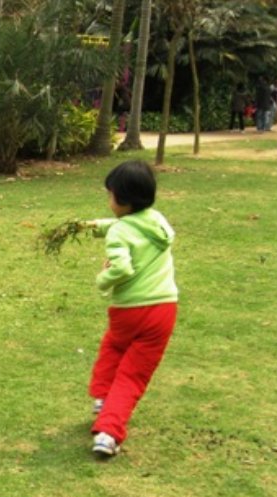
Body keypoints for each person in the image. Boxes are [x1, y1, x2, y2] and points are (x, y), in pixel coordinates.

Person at [80, 160, 178, 459]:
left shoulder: (120, 233)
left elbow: (122, 266)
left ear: (122, 200)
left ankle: (108, 430)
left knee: (123, 363)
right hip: (163, 309)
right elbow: (129, 226)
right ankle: (104, 401)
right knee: (120, 353)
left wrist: (102, 278)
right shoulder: (157, 222)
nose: (108, 201)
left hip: (129, 310)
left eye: (109, 196)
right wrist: (95, 227)